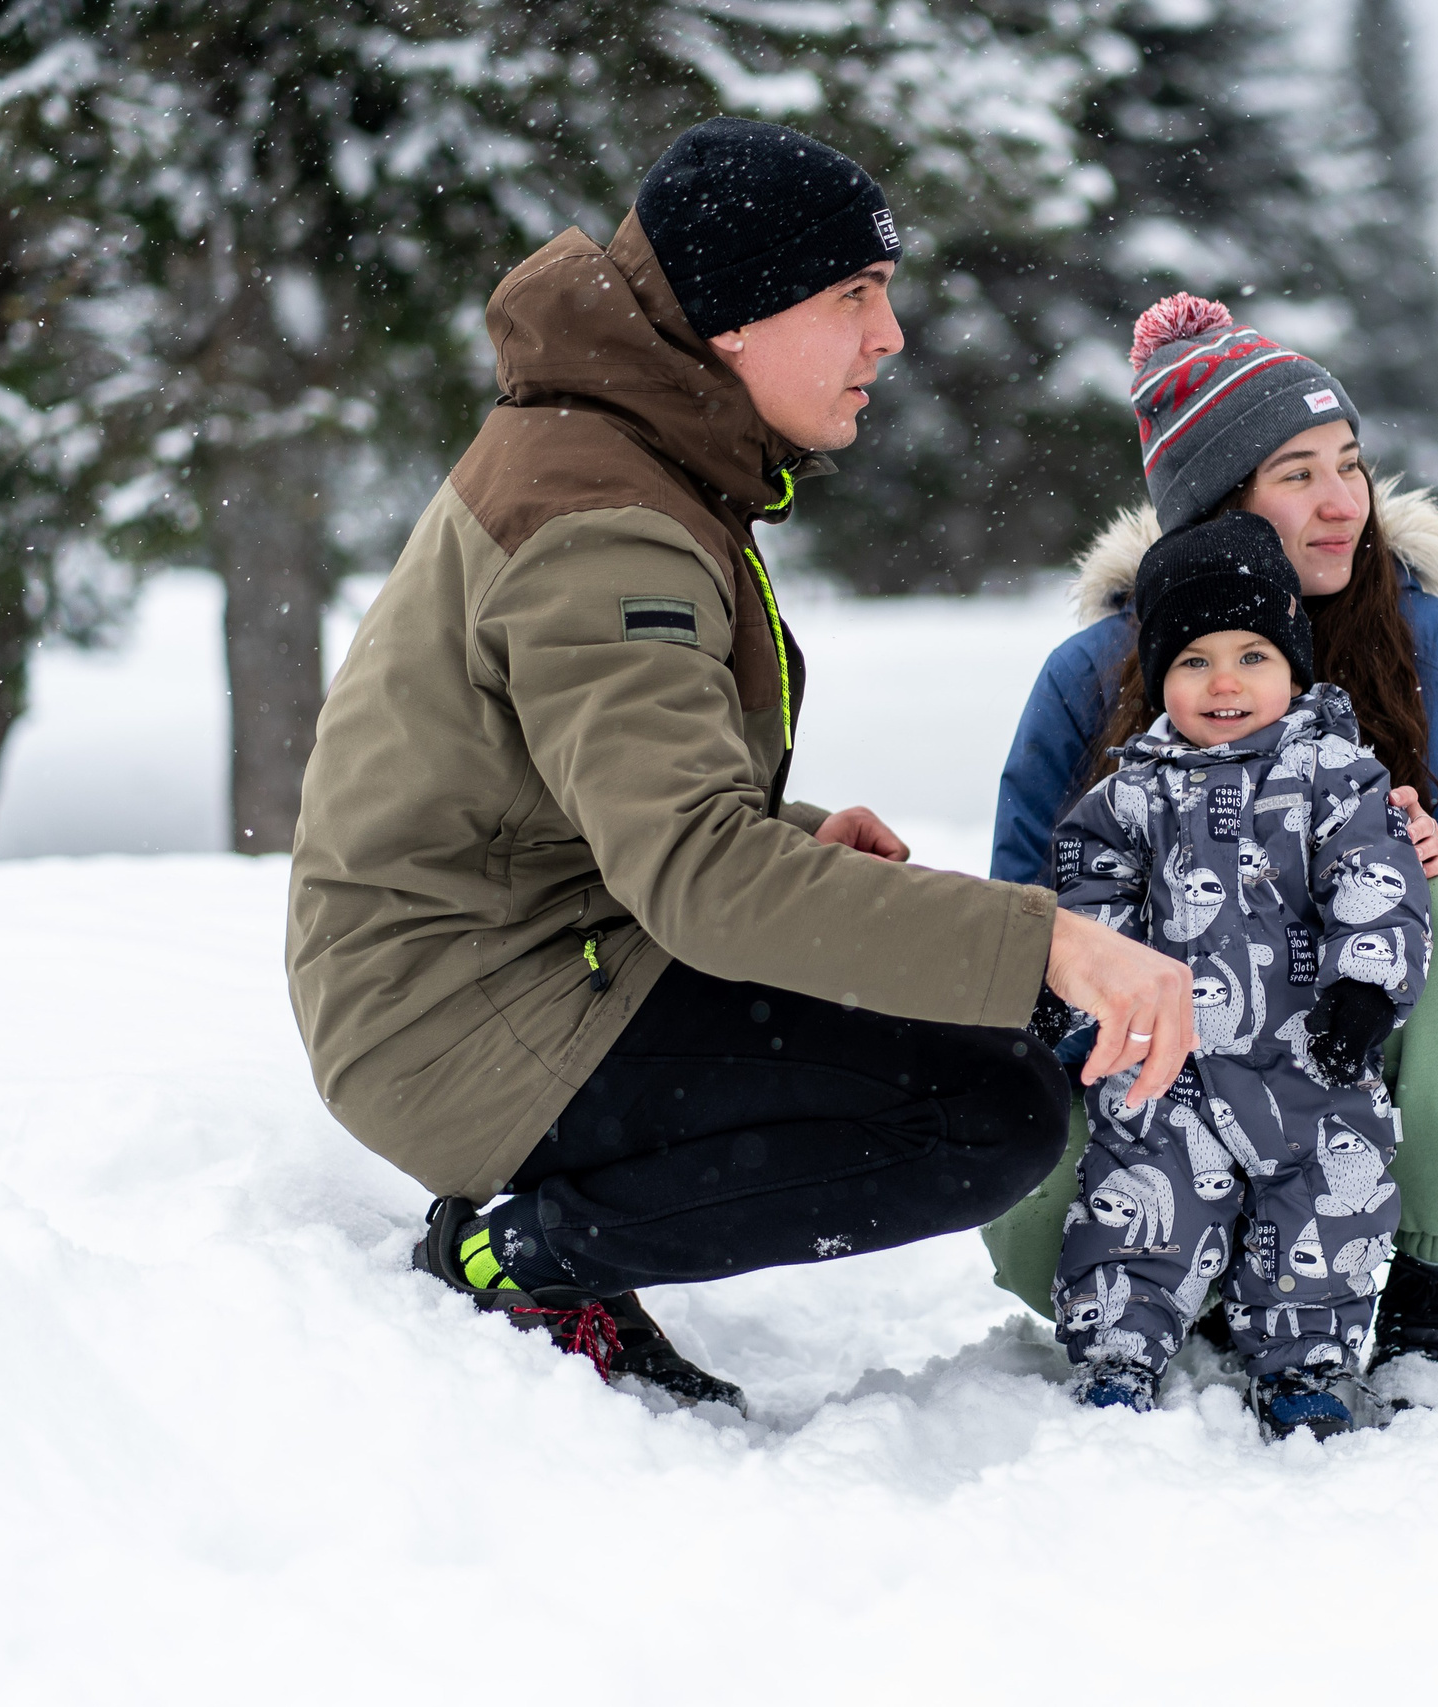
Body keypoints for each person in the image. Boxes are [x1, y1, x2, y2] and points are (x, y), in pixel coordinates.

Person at [284, 118, 1193, 1411]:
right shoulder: (607, 521)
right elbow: (700, 876)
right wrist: (1045, 938)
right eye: (853, 297)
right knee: (980, 1110)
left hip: (539, 946)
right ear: (732, 322)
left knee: (981, 1018)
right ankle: (522, 1259)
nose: (889, 337)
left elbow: (586, 789)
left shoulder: (630, 454)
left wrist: (797, 832)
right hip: (455, 1014)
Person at [984, 294, 1438, 1387]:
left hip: (1341, 1109)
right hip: (1154, 1114)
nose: (1341, 503)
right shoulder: (1092, 677)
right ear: (1214, 504)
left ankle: (1431, 1271)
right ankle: (1149, 1272)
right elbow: (1016, 941)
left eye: (1349, 462)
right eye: (1295, 474)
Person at [1041, 512, 1433, 1440]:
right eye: (1194, 661)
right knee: (1138, 1206)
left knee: (1329, 1214)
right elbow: (1089, 898)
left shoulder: (1339, 778)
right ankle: (1118, 1353)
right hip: (1167, 1065)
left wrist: (1366, 986)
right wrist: (1079, 1007)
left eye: (1252, 655)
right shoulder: (1130, 792)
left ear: (1294, 666)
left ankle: (1306, 1364)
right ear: (1162, 679)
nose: (1224, 682)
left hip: (1311, 1060)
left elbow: (1376, 880)